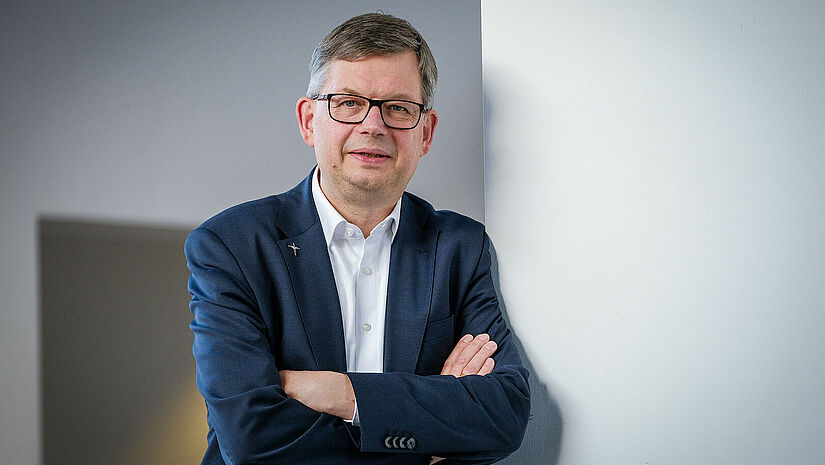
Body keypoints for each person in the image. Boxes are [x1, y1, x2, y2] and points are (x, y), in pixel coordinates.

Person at [185, 12, 530, 464]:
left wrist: (344, 394)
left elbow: (504, 415)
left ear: (425, 132)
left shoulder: (461, 247)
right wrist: (425, 432)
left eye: (398, 107)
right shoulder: (230, 245)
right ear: (309, 121)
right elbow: (251, 439)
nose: (373, 126)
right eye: (348, 103)